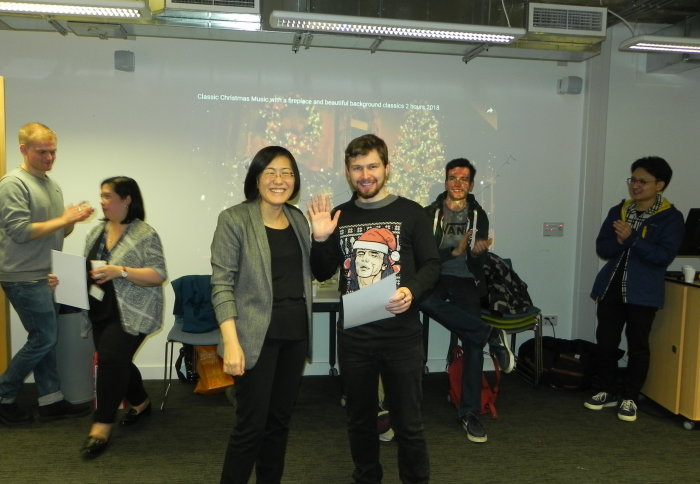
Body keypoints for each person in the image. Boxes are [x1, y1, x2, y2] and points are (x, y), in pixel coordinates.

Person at [308, 134, 440, 484]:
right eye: (357, 168)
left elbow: (431, 264)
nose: (365, 175)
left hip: (402, 337)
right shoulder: (339, 216)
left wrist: (412, 290)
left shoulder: (412, 212)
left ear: (386, 168)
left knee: (409, 423)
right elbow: (321, 272)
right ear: (348, 171)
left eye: (372, 166)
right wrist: (320, 239)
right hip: (355, 339)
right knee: (360, 421)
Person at [211, 146, 313, 484]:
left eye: (287, 173)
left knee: (279, 423)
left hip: (295, 334)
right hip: (254, 338)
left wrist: (324, 237)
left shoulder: (297, 219)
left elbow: (310, 272)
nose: (279, 180)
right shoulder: (234, 219)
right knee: (251, 427)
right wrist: (231, 342)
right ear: (256, 178)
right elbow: (222, 285)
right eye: (270, 172)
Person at [0, 122, 94, 426]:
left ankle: (51, 401)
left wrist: (72, 220)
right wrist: (64, 219)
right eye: (42, 152)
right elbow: (20, 232)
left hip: (46, 273)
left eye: (53, 151)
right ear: (23, 149)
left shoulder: (51, 185)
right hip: (22, 275)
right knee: (44, 339)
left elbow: (57, 232)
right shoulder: (13, 184)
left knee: (45, 339)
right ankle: (3, 396)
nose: (50, 157)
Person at [419, 157, 514, 444]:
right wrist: (453, 252)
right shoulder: (429, 213)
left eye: (463, 179)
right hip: (435, 276)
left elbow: (477, 260)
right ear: (446, 181)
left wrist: (475, 252)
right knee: (420, 299)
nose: (458, 183)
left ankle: (469, 412)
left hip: (464, 280)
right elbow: (423, 256)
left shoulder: (478, 215)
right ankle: (489, 332)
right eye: (453, 177)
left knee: (472, 341)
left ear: (471, 185)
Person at [585, 156, 684, 422]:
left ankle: (630, 396)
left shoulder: (671, 218)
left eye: (643, 181)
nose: (635, 186)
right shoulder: (619, 211)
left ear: (660, 185)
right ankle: (605, 389)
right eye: (633, 180)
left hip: (643, 293)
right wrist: (621, 241)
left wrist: (632, 239)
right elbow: (603, 248)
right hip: (611, 287)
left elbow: (663, 256)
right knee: (606, 342)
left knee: (638, 345)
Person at [79, 176, 167, 459]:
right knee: (117, 360)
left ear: (127, 199)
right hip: (100, 309)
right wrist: (62, 280)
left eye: (107, 196)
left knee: (109, 359)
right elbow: (87, 270)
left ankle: (102, 425)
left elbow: (158, 275)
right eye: (101, 195)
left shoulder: (145, 234)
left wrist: (121, 271)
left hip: (134, 312)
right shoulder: (96, 231)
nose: (102, 201)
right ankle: (141, 402)